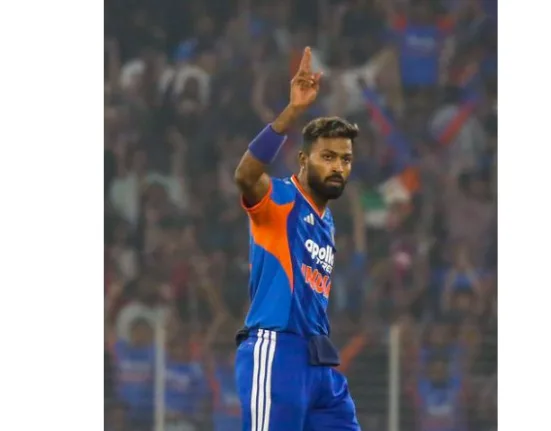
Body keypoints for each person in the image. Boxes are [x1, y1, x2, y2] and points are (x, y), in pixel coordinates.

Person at [233, 47, 361, 431]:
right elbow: (245, 175)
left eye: (345, 159)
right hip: (277, 352)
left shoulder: (327, 221)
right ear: (304, 160)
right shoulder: (283, 198)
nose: (338, 167)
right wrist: (292, 112)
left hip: (320, 363)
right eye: (328, 157)